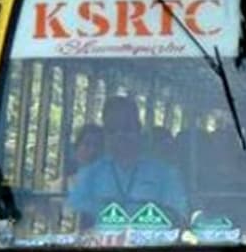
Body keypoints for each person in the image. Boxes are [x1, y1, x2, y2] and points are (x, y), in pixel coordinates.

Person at [66, 96, 189, 228]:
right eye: (112, 130)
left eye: (127, 128)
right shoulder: (91, 174)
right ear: (105, 133)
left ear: (138, 129)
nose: (120, 135)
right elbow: (75, 220)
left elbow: (179, 218)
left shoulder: (165, 174)